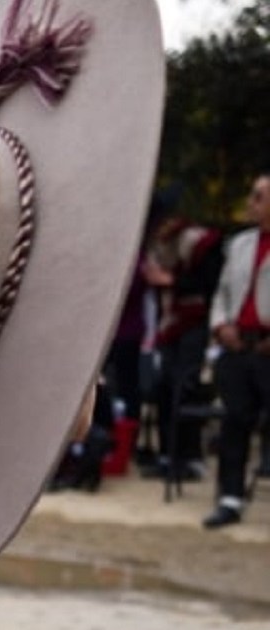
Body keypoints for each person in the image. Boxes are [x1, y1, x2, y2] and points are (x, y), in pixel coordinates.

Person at [204, 172, 270, 529]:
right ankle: (230, 498)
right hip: (238, 344)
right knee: (234, 421)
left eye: (258, 197)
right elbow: (222, 293)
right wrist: (220, 325)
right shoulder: (241, 244)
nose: (250, 203)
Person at [141, 210, 224, 481]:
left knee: (185, 387)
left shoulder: (199, 243)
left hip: (194, 322)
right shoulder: (160, 247)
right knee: (164, 386)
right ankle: (167, 455)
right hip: (169, 324)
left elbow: (209, 285)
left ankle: (189, 456)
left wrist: (170, 281)